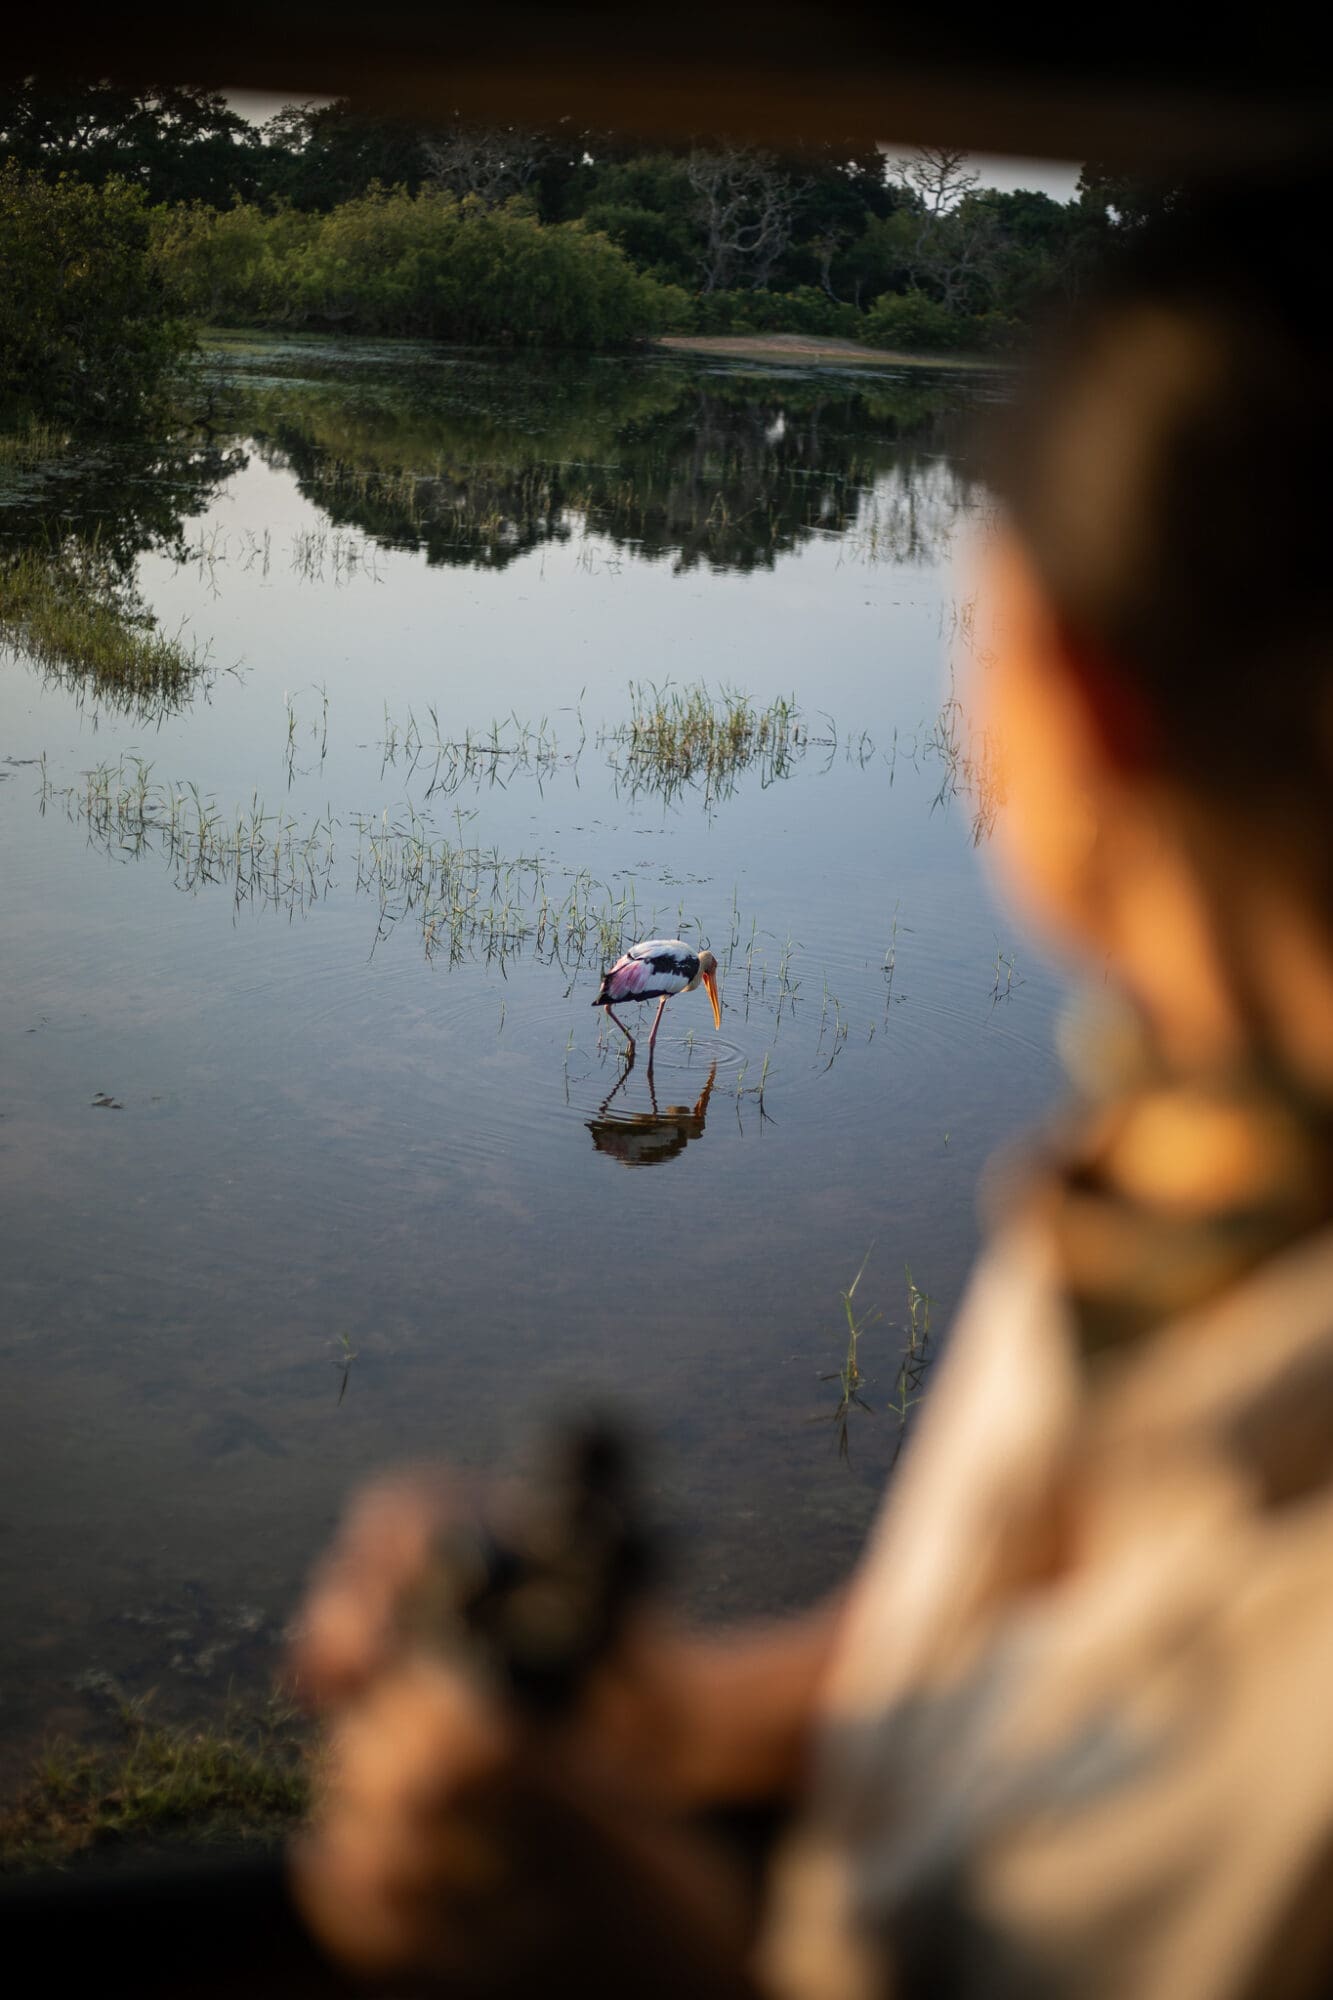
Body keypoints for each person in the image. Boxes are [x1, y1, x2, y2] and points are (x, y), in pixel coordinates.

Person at [288, 174, 1333, 2000]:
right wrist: (679, 1718)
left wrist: (640, 1949)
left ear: (1071, 687)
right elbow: (1050, 1640)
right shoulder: (1196, 1157)